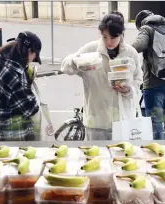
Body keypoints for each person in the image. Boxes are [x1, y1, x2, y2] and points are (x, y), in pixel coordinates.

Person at [61, 11, 143, 141]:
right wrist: (76, 62)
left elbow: (138, 81)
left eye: (113, 37)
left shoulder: (131, 53)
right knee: (96, 158)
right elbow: (65, 66)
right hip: (96, 121)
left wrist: (128, 90)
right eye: (105, 37)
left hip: (121, 120)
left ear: (121, 34)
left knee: (121, 158)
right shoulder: (91, 49)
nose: (109, 42)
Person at [0, 31, 51, 141]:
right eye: (34, 56)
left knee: (6, 156)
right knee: (18, 156)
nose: (33, 60)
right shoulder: (11, 73)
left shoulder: (0, 57)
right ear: (29, 51)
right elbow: (28, 107)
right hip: (13, 130)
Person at [131, 10, 165, 140]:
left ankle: (158, 153)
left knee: (155, 122)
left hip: (154, 84)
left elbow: (137, 46)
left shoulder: (147, 28)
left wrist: (122, 50)